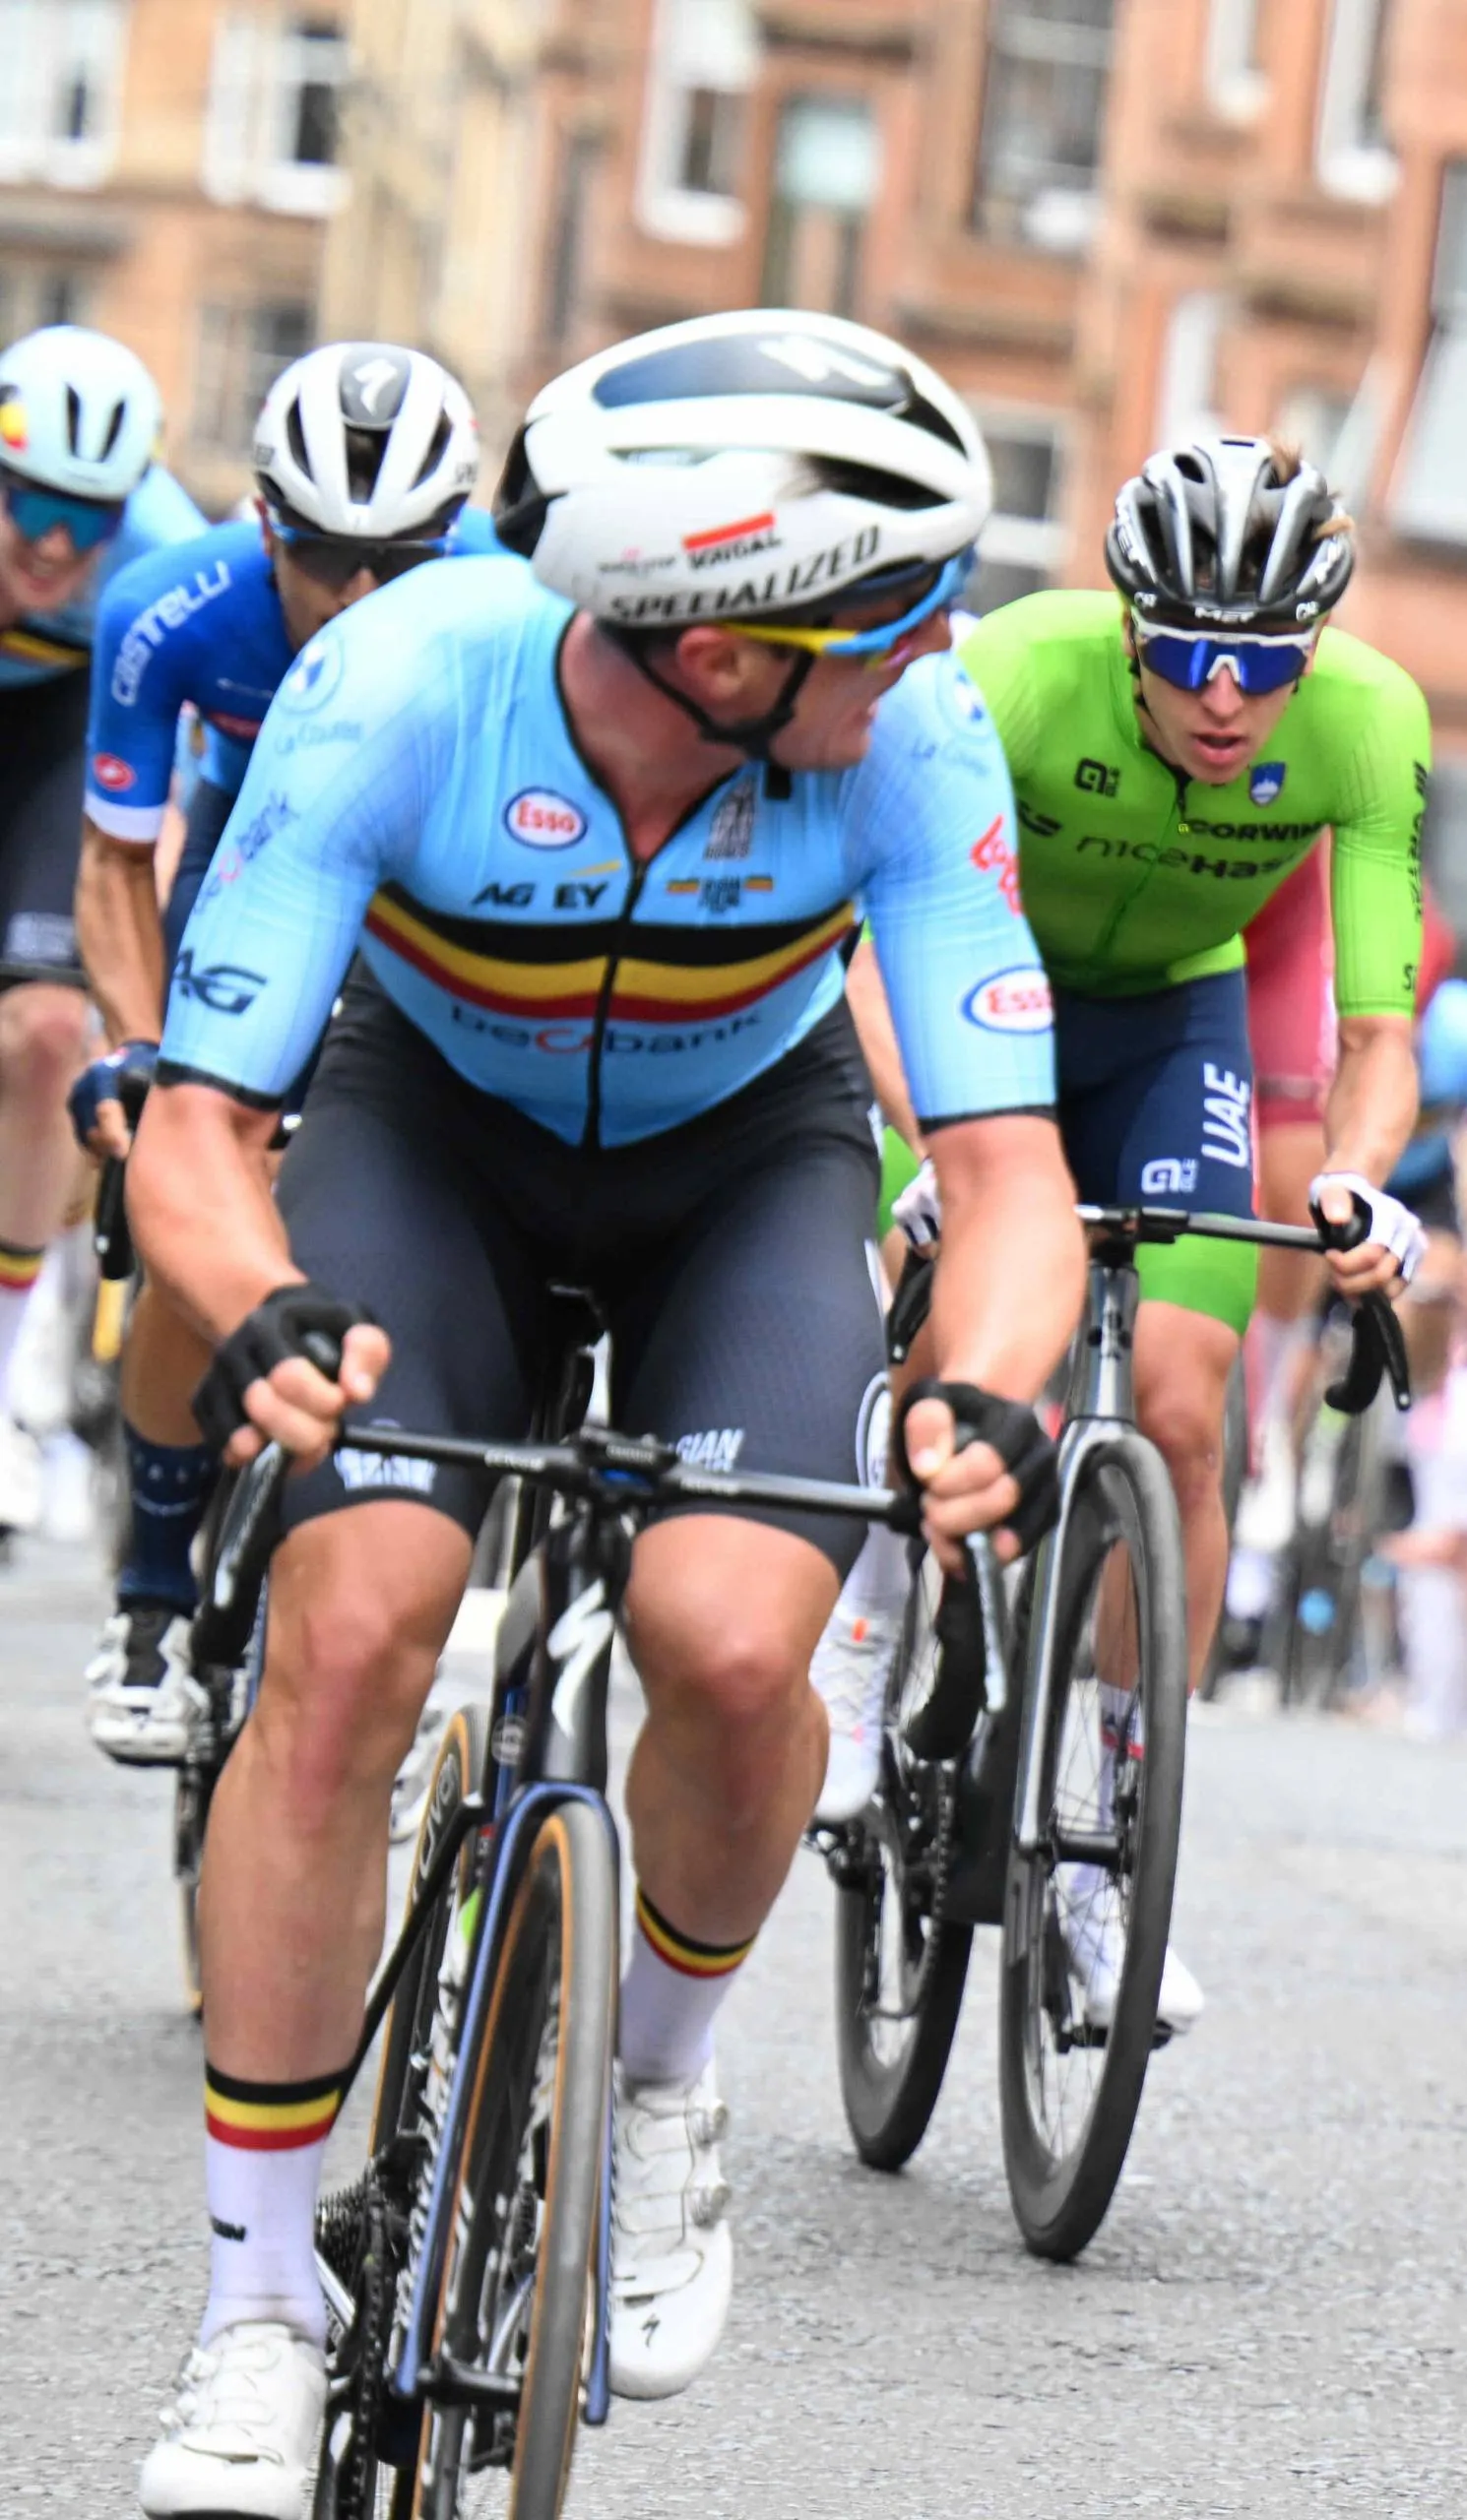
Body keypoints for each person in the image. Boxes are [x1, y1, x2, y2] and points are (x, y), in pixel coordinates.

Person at [123, 309, 1089, 2516]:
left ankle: (655, 2084)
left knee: (737, 1646)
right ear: (723, 649)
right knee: (355, 1631)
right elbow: (197, 1129)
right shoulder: (400, 686)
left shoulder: (912, 741)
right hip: (424, 1136)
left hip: (743, 1164)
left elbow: (1010, 1174)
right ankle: (256, 2311)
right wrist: (255, 1305)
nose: (937, 650)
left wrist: (991, 1391)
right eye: (895, 609)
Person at [818, 436, 1428, 1943]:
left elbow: (1376, 1033)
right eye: (1184, 654)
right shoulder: (1019, 671)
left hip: (1171, 1016)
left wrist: (1359, 1183)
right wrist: (937, 1149)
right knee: (945, 1342)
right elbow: (873, 955)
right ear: (1127, 625)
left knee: (1183, 1406)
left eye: (1263, 663)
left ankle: (1113, 1838)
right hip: (980, 991)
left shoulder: (1369, 721)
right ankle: (864, 1639)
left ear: (1312, 651)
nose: (1223, 697)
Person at [76, 340, 494, 1763]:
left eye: (401, 562)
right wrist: (143, 1052)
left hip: (415, 891)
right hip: (241, 869)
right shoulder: (167, 611)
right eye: (322, 558)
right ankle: (150, 1599)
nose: (359, 598)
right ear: (265, 527)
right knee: (184, 1180)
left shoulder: (513, 599)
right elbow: (112, 865)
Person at [0, 326, 199, 1530]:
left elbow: (192, 776)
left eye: (90, 518)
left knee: (41, 1038)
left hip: (58, 737)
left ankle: (7, 1375)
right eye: (30, 506)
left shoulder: (164, 552)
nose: (56, 545)